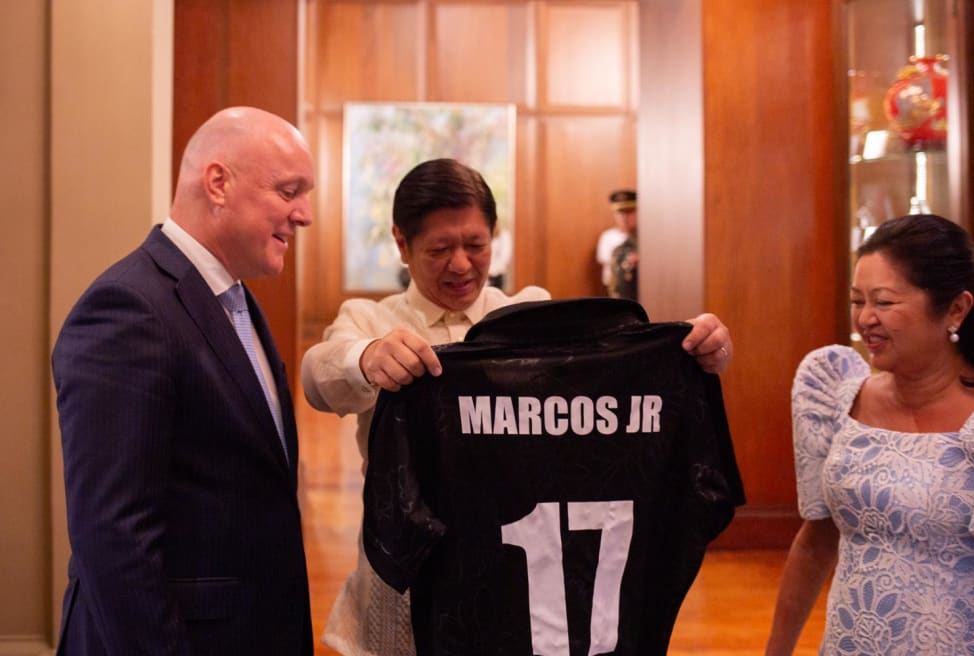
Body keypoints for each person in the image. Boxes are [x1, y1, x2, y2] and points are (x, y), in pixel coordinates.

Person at [300, 158, 733, 656]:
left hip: (515, 582)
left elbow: (617, 367)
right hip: (410, 580)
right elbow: (318, 376)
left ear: (495, 235)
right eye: (439, 249)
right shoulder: (369, 318)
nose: (461, 265)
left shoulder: (529, 314)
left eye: (476, 245)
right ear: (402, 243)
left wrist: (689, 353)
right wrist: (368, 356)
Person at [52, 107, 317, 655]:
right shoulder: (128, 309)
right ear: (218, 183)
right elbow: (113, 537)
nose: (305, 214)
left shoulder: (237, 300)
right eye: (289, 191)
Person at [766, 214, 974, 655]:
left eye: (885, 302)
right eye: (858, 301)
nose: (865, 319)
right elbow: (817, 541)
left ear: (956, 308)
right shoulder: (839, 396)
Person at [596, 189, 638, 299]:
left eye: (629, 212)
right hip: (617, 293)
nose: (624, 217)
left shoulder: (646, 240)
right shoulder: (608, 237)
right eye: (620, 212)